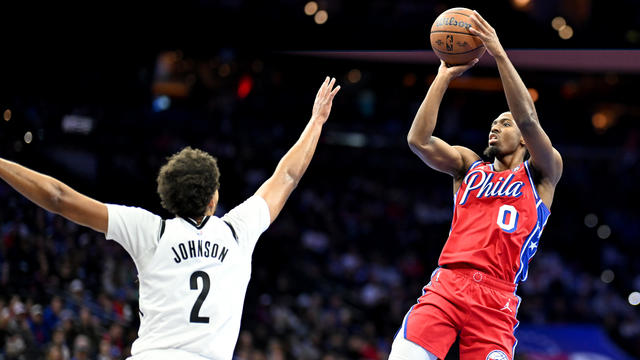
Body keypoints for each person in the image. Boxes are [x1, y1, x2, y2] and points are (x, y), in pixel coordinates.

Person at [0, 77, 341, 360]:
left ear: (167, 197)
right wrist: (316, 122)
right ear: (214, 198)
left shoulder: (151, 231)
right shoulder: (237, 231)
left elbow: (59, 198)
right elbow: (286, 177)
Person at [390, 11, 563, 360]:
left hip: (496, 300)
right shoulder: (469, 168)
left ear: (526, 140)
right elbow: (418, 140)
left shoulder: (543, 172)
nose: (495, 128)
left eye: (504, 123)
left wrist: (498, 52)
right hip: (447, 286)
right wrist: (443, 76)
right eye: (493, 123)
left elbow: (528, 118)